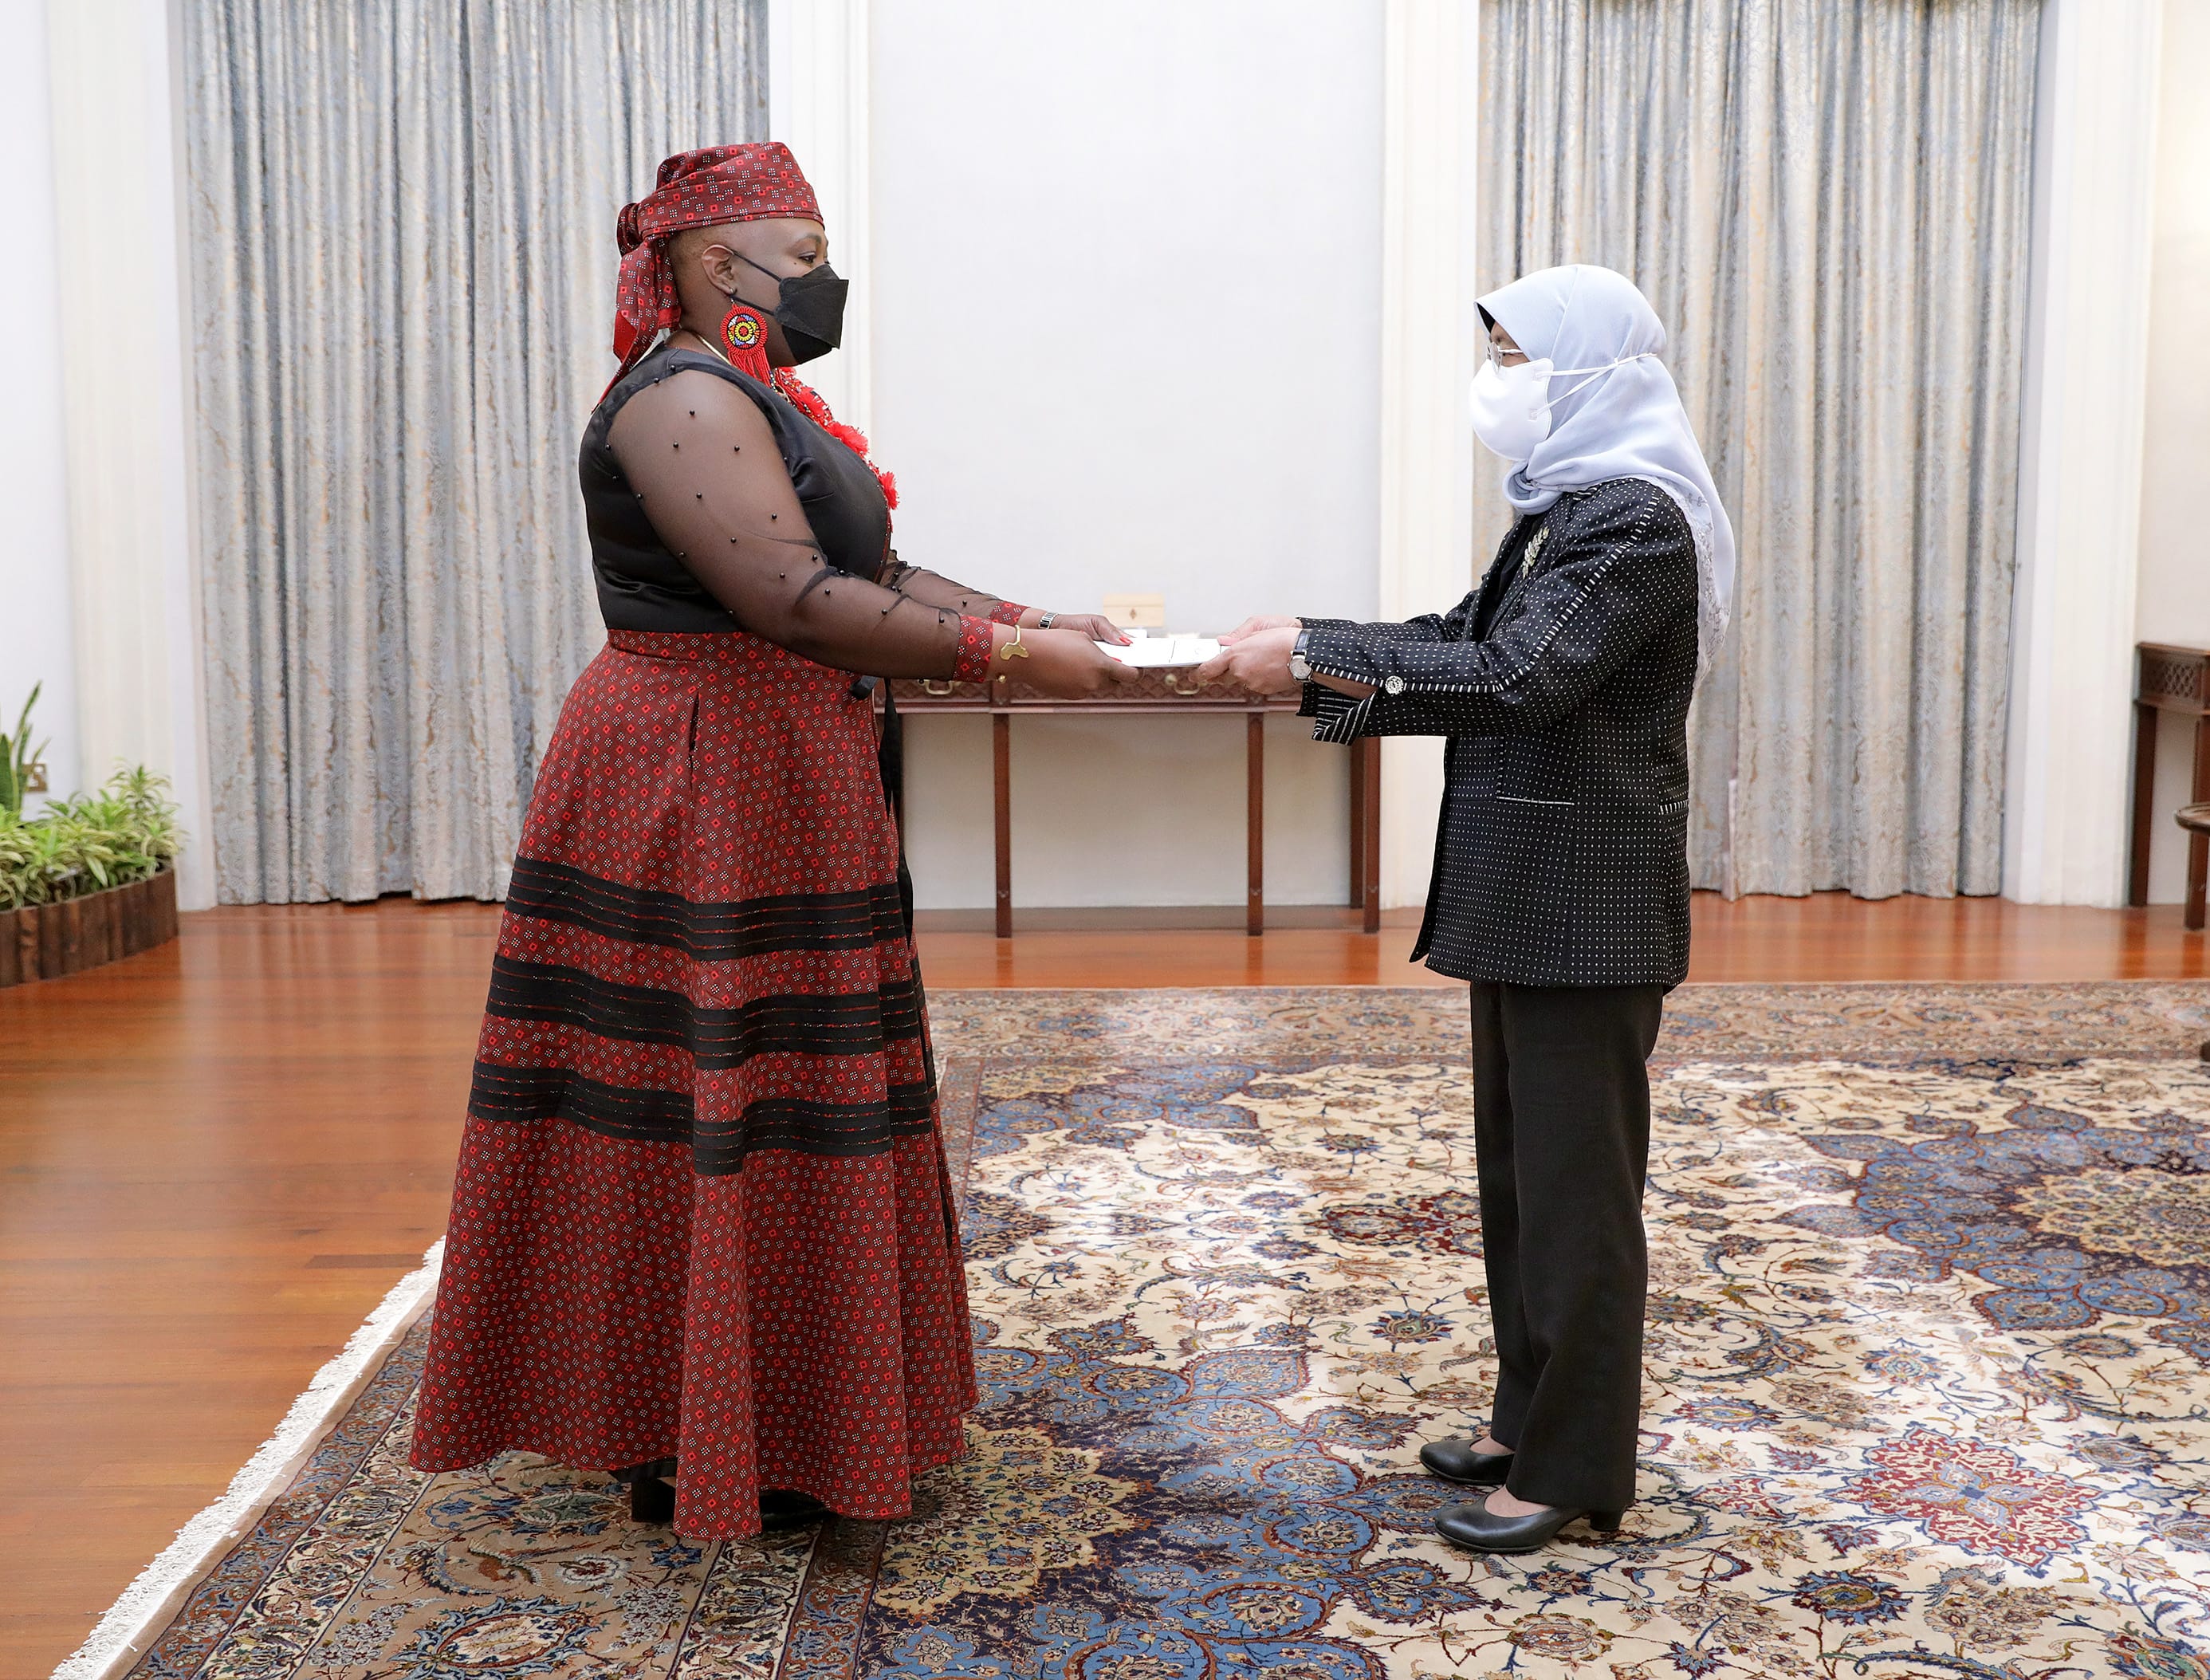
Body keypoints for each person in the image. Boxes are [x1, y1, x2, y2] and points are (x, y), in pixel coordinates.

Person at [408, 143, 1138, 1540]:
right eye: (799, 259)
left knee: (787, 1088)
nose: (823, 281)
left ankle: (786, 1415)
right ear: (708, 262)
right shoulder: (682, 397)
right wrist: (1006, 659)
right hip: (698, 769)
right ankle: (678, 1433)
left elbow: (871, 573)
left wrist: (1038, 622)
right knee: (704, 1091)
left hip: (776, 765)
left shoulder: (760, 391)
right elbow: (791, 597)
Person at [1198, 263, 1734, 1553]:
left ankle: (1577, 1467)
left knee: (1577, 1195)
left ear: (1593, 372)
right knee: (1519, 1182)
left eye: (1514, 356)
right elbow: (1466, 629)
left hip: (1585, 900)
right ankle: (1525, 1414)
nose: (1496, 381)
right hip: (1529, 894)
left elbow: (1516, 680)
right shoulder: (1566, 510)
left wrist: (1319, 663)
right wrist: (1315, 634)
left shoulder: (1634, 521)